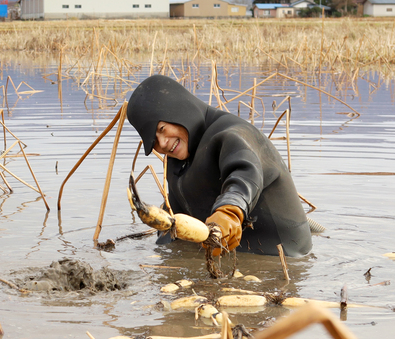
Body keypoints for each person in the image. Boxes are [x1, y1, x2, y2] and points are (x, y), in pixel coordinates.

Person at [126, 74, 312, 257]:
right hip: (231, 256)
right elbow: (179, 209)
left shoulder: (233, 134)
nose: (163, 143)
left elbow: (245, 175)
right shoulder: (179, 160)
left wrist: (229, 211)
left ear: (179, 111)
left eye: (162, 129)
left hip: (281, 257)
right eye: (154, 140)